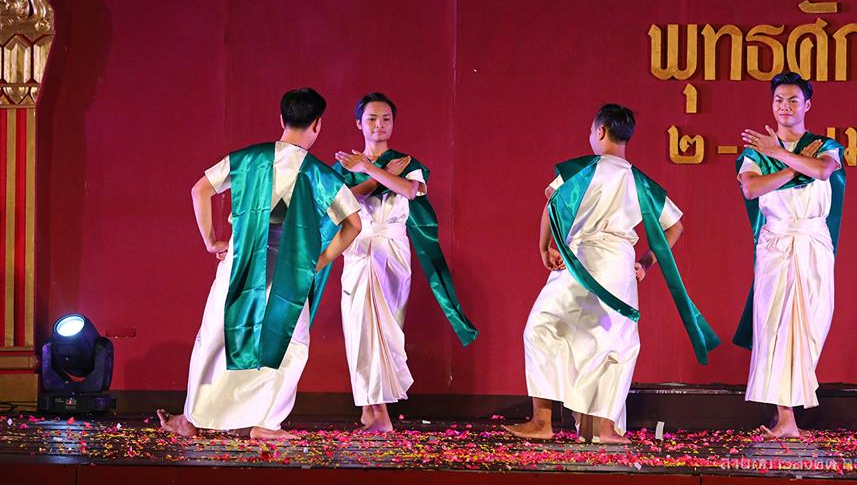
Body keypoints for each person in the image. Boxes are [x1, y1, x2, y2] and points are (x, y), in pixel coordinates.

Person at [506, 104, 718, 444]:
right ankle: (603, 428)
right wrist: (645, 262)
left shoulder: (581, 169)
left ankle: (542, 420)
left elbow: (551, 205)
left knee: (543, 328)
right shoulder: (640, 181)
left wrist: (545, 247)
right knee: (614, 342)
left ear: (600, 131)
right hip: (619, 264)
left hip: (579, 260)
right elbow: (675, 227)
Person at [158, 88, 362, 439]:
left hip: (241, 260)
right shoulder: (320, 174)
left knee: (217, 336)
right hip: (289, 269)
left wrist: (211, 241)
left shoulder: (247, 158)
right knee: (289, 345)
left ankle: (192, 418)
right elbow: (353, 225)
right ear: (317, 124)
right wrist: (321, 260)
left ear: (282, 119)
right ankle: (266, 423)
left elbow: (199, 190)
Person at [334, 92, 477, 432]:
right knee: (359, 328)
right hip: (358, 247)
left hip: (392, 250)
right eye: (371, 119)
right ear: (358, 123)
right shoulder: (345, 167)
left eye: (386, 119)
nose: (379, 125)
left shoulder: (407, 162)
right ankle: (371, 410)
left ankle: (380, 412)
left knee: (386, 329)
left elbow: (411, 190)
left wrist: (370, 169)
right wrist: (375, 174)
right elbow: (339, 204)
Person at [736, 71, 846, 439]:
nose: (785, 107)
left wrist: (780, 156)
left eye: (793, 101)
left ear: (807, 105)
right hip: (777, 243)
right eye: (779, 100)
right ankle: (786, 418)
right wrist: (788, 164)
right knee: (777, 326)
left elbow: (823, 170)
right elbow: (752, 189)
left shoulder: (824, 145)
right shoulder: (756, 152)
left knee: (812, 325)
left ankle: (788, 415)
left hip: (813, 243)